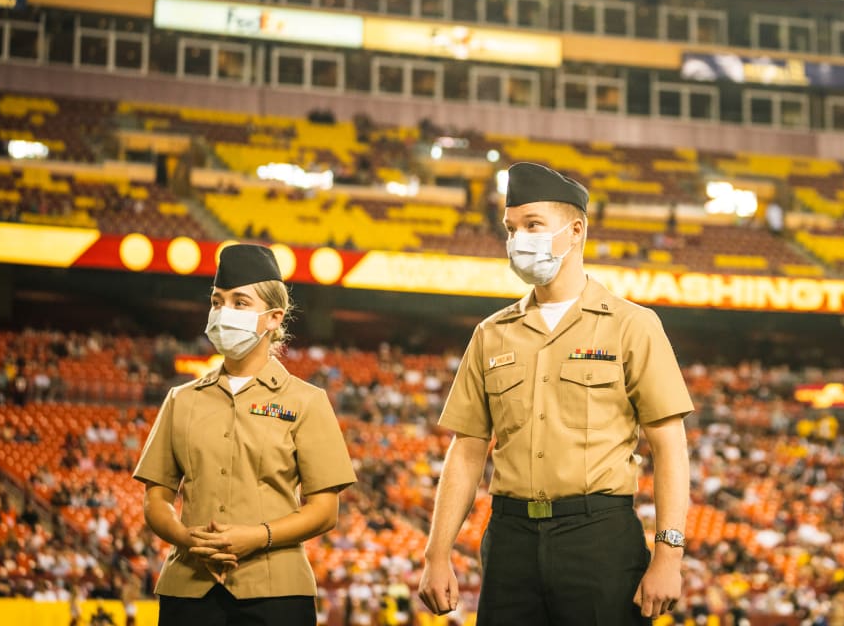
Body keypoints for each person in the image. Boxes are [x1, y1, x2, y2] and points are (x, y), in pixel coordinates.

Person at [418, 162, 694, 625]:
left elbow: (670, 445)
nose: (517, 239)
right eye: (511, 228)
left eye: (532, 225)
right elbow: (466, 450)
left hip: (598, 535)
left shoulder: (632, 325)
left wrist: (669, 555)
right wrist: (436, 553)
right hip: (510, 539)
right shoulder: (491, 333)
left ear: (575, 231)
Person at [134, 243, 356, 626]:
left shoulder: (308, 402)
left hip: (277, 595)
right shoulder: (180, 400)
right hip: (188, 591)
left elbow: (324, 511)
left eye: (240, 303)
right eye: (217, 301)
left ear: (273, 318)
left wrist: (257, 537)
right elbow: (156, 499)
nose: (223, 313)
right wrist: (188, 540)